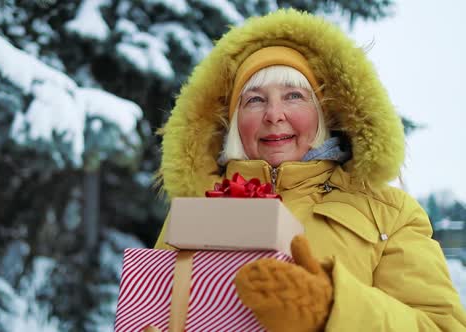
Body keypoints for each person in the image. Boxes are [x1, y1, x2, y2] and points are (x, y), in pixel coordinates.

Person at [153, 8, 466, 332]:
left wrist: (331, 308)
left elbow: (442, 327)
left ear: (322, 115)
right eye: (255, 100)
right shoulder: (194, 212)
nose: (274, 114)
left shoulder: (389, 214)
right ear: (234, 125)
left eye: (293, 96)